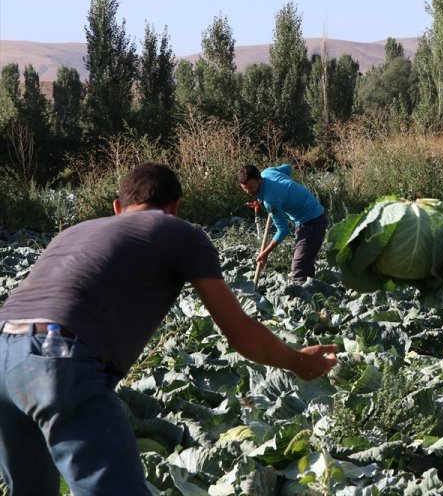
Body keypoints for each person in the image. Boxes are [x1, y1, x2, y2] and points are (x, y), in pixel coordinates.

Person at [0, 163, 338, 495]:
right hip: (57, 361)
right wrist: (298, 362)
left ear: (118, 208)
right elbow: (240, 334)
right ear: (175, 207)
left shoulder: (71, 233)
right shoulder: (180, 232)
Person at [238, 163, 328, 284]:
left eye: (251, 187)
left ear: (259, 179)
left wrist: (265, 253)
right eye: (245, 189)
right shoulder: (267, 172)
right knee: (305, 262)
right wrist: (285, 191)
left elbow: (283, 230)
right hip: (309, 213)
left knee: (299, 269)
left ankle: (303, 300)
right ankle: (313, 293)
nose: (249, 192)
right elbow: (288, 168)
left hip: (312, 221)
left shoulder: (271, 201)